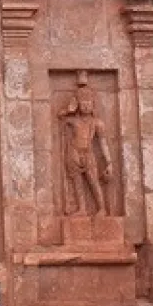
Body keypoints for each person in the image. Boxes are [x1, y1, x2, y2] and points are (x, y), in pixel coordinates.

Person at [60, 83, 112, 216]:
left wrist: (109, 162)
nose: (86, 105)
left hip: (88, 154)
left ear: (93, 104)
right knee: (77, 182)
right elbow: (60, 116)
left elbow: (103, 143)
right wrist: (69, 109)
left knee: (93, 181)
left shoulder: (97, 123)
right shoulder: (73, 120)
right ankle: (82, 208)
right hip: (73, 153)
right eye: (83, 103)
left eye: (89, 102)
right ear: (78, 104)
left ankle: (102, 208)